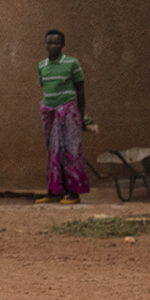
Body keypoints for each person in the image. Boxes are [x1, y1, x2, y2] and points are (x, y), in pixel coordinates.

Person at [38, 29, 92, 201]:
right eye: (49, 42)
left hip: (68, 112)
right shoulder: (42, 66)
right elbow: (46, 88)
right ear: (45, 44)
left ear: (63, 45)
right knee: (54, 152)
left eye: (56, 42)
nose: (52, 45)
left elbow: (80, 92)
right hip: (49, 113)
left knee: (71, 151)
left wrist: (82, 117)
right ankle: (55, 192)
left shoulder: (72, 63)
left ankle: (74, 193)